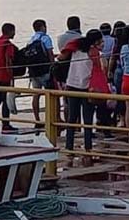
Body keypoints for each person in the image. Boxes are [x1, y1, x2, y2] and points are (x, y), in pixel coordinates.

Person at [60, 29, 106, 158]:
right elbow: (98, 71)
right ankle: (88, 147)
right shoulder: (94, 52)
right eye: (101, 41)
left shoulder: (76, 49)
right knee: (87, 119)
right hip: (86, 88)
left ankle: (69, 146)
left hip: (71, 85)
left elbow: (62, 56)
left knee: (72, 118)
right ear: (96, 41)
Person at [26, 19, 55, 124]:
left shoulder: (31, 40)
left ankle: (37, 119)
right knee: (50, 94)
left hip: (33, 71)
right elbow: (50, 54)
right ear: (42, 27)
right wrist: (53, 66)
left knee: (36, 95)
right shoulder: (45, 38)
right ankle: (51, 119)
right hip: (45, 70)